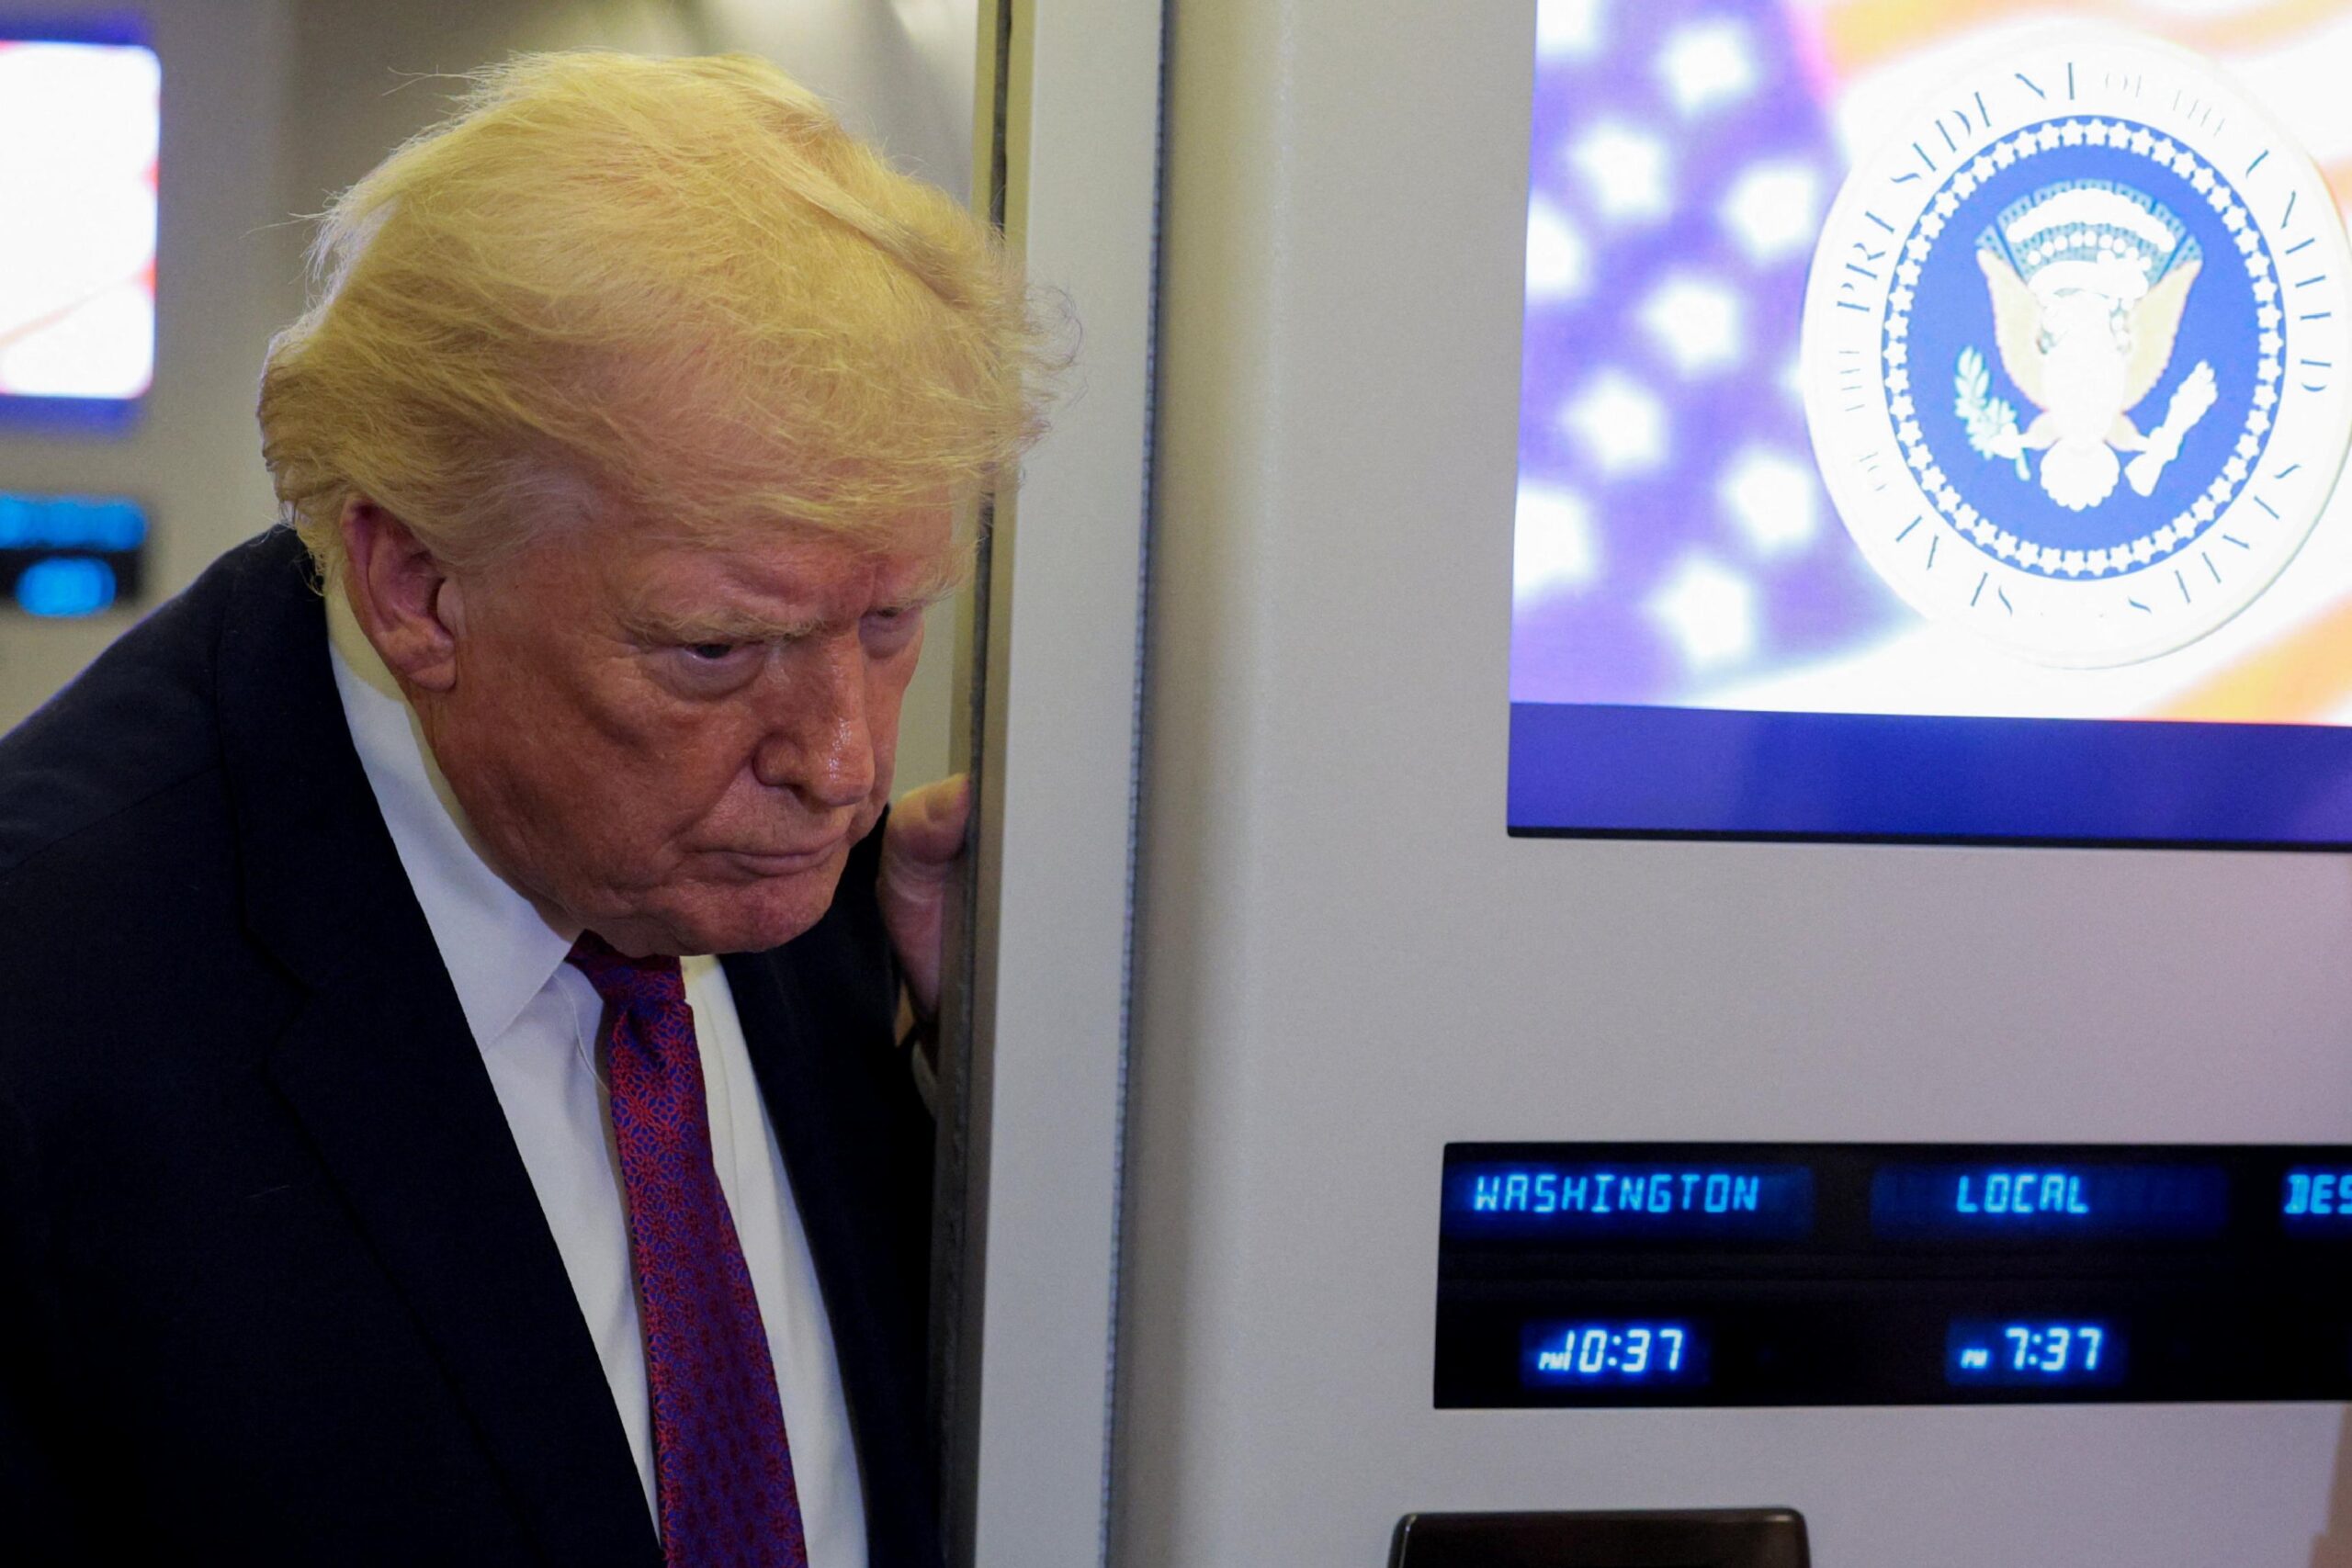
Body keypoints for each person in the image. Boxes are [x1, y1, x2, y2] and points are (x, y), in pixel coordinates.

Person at [0, 51, 1046, 1568]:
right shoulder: (54, 1010)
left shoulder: (830, 892)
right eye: (715, 650)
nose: (841, 762)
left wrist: (1001, 1103)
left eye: (891, 621)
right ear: (417, 586)